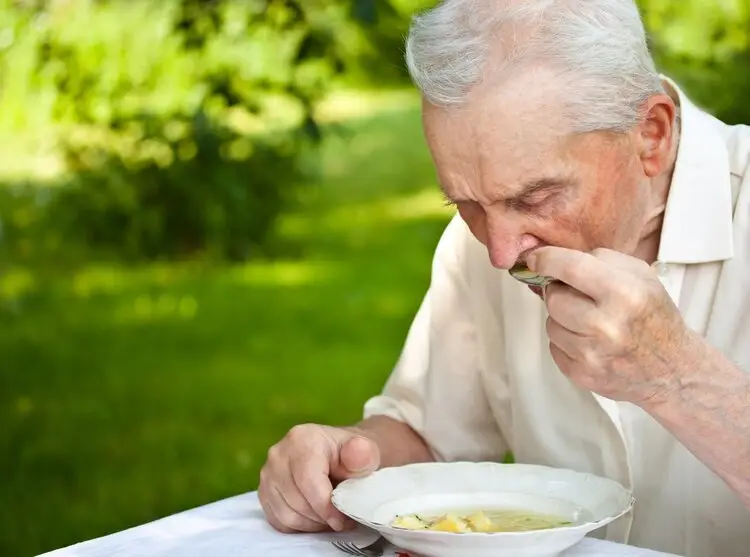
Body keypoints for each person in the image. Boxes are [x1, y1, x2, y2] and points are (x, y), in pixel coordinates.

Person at [258, 1, 750, 556]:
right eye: (466, 203)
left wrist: (678, 377)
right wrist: (341, 458)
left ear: (650, 135)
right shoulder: (485, 241)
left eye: (535, 197)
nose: (500, 252)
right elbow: (428, 439)